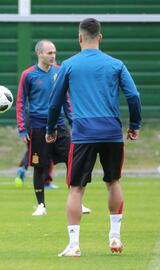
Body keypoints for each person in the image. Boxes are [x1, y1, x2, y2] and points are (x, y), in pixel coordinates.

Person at [46, 18, 141, 257]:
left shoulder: (68, 65)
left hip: (83, 134)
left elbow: (55, 102)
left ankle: (74, 245)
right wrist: (135, 125)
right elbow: (133, 96)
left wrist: (50, 129)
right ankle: (115, 237)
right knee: (113, 182)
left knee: (76, 188)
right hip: (111, 131)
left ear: (79, 38)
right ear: (100, 37)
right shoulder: (115, 64)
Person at [16, 40, 73, 216]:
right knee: (39, 166)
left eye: (54, 52)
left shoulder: (59, 72)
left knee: (71, 161)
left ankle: (77, 201)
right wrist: (22, 129)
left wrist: (74, 122)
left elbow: (66, 99)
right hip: (38, 127)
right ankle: (41, 205)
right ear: (39, 53)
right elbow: (20, 102)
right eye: (49, 53)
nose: (53, 56)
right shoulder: (28, 75)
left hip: (60, 125)